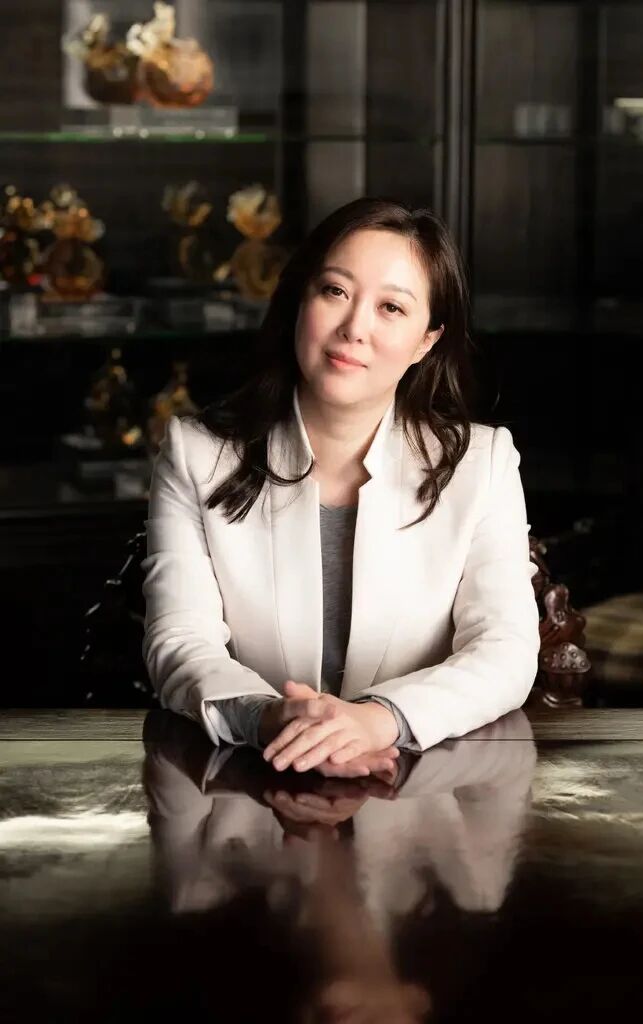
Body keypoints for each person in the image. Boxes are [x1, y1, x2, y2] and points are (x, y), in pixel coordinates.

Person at [141, 195, 540, 779]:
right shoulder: (197, 453)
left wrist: (377, 721)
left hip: (420, 788)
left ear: (426, 341)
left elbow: (505, 651)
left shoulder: (482, 464)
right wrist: (272, 718)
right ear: (300, 301)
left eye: (391, 308)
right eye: (335, 291)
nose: (355, 328)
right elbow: (180, 641)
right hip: (245, 784)